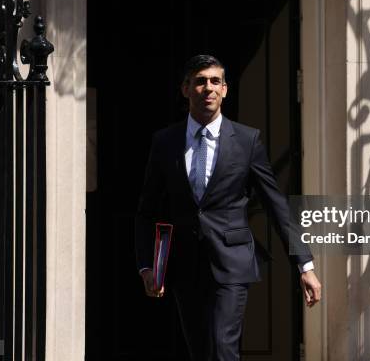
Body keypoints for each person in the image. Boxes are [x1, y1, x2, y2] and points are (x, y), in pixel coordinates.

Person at [135, 54, 321, 361]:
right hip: (184, 265)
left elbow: (276, 205)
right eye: (200, 81)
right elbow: (147, 210)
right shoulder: (165, 141)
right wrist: (147, 266)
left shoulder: (247, 141)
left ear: (225, 90)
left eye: (215, 81)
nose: (208, 88)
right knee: (201, 352)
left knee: (223, 348)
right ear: (185, 89)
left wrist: (306, 267)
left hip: (232, 262)